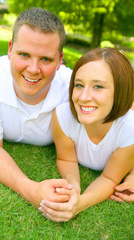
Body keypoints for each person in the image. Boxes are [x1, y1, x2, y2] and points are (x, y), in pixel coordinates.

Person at [0, 7, 73, 209]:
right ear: (10, 49)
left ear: (59, 61)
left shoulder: (73, 86)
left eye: (46, 59)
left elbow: (125, 105)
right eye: (24, 54)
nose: (33, 69)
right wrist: (30, 189)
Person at [38, 47, 134, 222]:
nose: (84, 97)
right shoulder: (62, 116)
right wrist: (73, 186)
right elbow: (67, 159)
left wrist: (80, 203)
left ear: (119, 90)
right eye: (79, 85)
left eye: (98, 86)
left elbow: (110, 177)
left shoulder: (130, 128)